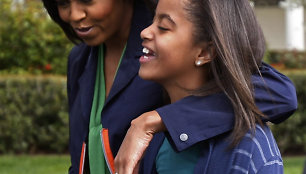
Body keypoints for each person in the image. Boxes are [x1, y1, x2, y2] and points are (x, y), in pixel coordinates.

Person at [41, 0, 297, 173]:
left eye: (87, 0)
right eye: (62, 3)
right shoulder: (80, 60)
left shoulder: (170, 44)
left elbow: (279, 93)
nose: (73, 15)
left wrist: (156, 120)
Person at [115, 0, 294, 173]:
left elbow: (283, 94)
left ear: (204, 52)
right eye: (152, 21)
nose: (144, 32)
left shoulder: (247, 149)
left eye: (163, 27)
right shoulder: (154, 137)